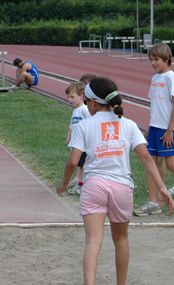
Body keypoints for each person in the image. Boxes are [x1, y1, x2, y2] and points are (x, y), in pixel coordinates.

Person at [57, 77, 173, 285]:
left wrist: (64, 184)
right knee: (121, 239)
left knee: (93, 242)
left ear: (91, 102)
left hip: (94, 187)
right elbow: (146, 157)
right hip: (122, 188)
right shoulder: (128, 124)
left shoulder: (84, 125)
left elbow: (73, 162)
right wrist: (162, 187)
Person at [134, 43, 174, 216]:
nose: (153, 63)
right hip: (155, 128)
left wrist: (170, 130)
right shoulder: (155, 78)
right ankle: (153, 202)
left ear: (166, 59)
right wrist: (150, 128)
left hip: (167, 129)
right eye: (151, 60)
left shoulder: (170, 77)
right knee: (151, 164)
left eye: (156, 60)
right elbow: (155, 106)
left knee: (170, 163)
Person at [65, 82, 91, 195]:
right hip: (75, 143)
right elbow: (72, 125)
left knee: (83, 165)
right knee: (80, 165)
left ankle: (84, 185)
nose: (70, 99)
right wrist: (69, 136)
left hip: (83, 144)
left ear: (81, 96)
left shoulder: (85, 110)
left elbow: (90, 123)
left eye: (72, 97)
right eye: (68, 97)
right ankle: (81, 184)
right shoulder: (75, 111)